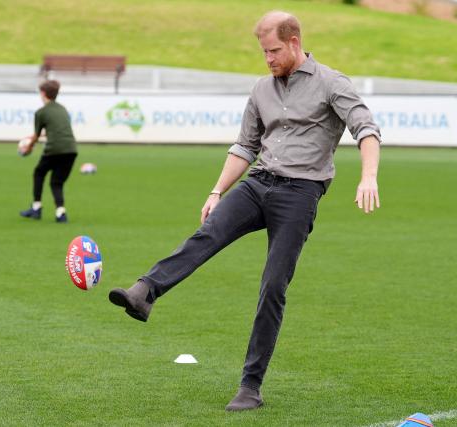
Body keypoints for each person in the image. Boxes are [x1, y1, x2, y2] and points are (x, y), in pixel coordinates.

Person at [109, 10, 382, 411]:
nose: (268, 59)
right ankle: (145, 291)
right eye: (263, 52)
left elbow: (366, 129)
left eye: (273, 51)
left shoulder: (331, 83)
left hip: (300, 193)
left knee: (273, 287)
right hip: (259, 183)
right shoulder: (261, 90)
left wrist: (368, 176)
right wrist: (218, 190)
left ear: (293, 42)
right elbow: (245, 147)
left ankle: (250, 386)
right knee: (208, 233)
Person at [19, 80, 77, 223]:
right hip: (71, 149)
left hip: (55, 149)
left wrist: (28, 148)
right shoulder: (62, 109)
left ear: (43, 93)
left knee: (39, 173)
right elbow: (59, 131)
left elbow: (37, 135)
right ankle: (60, 213)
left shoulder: (41, 112)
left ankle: (36, 208)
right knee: (57, 182)